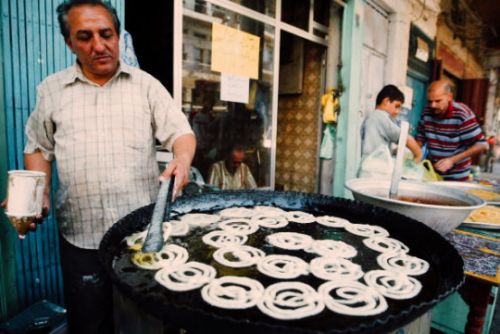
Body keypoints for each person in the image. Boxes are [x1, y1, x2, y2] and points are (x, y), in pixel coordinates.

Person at [21, 1, 196, 333]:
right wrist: (38, 192)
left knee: (141, 322)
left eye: (106, 34)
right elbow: (38, 148)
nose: (98, 46)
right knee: (89, 322)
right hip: (80, 236)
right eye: (84, 37)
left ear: (118, 36)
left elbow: (181, 133)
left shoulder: (146, 86)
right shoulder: (52, 91)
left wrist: (182, 160)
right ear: (69, 43)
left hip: (139, 236)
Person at [416, 80, 487, 181]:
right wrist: (408, 152)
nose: (433, 106)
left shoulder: (462, 114)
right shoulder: (426, 112)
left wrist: (452, 160)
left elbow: (482, 144)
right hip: (432, 172)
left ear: (449, 97)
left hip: (457, 176)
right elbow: (420, 139)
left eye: (438, 101)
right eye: (430, 101)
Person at [361, 85, 422, 161]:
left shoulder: (372, 117)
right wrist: (418, 154)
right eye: (396, 106)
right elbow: (405, 138)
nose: (398, 111)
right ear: (386, 101)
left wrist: (393, 152)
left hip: (368, 164)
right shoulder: (380, 116)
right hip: (375, 168)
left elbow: (376, 148)